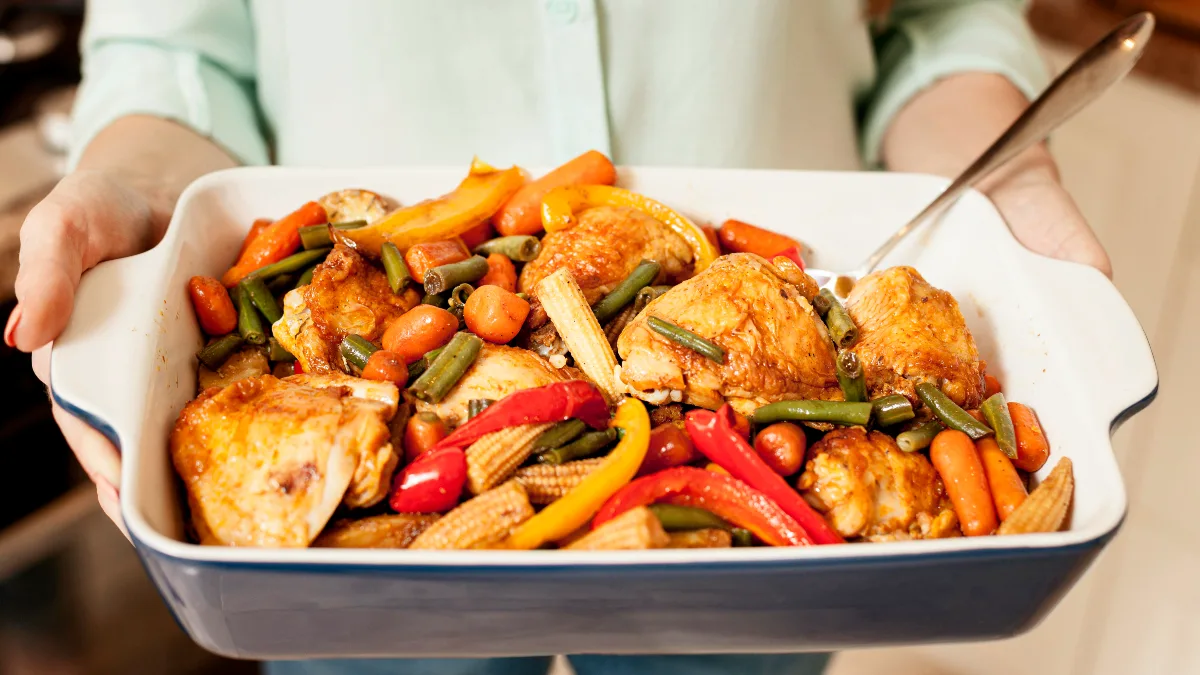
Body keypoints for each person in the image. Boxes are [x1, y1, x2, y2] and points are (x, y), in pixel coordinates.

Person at [6, 1, 1111, 674]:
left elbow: (945, 23)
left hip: (761, 554)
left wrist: (1006, 172)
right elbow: (174, 52)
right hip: (355, 587)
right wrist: (129, 191)